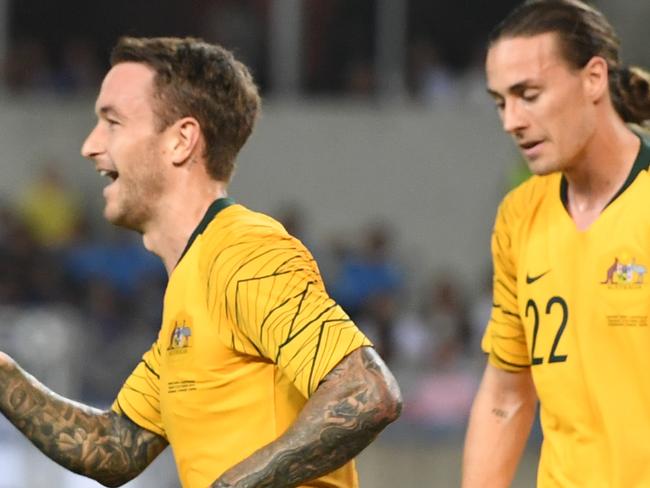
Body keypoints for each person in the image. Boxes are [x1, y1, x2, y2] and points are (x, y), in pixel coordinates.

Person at [0, 37, 402, 488]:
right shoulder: (192, 283)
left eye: (112, 123)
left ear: (181, 140)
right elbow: (115, 446)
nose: (90, 146)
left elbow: (367, 392)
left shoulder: (243, 251)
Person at [462, 1, 650, 486]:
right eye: (501, 101)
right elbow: (506, 396)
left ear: (593, 79)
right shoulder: (519, 216)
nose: (512, 121)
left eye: (529, 94)